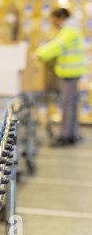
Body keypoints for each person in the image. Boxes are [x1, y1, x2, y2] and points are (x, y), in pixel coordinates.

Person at [35, 8, 87, 146]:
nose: (54, 25)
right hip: (72, 72)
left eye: (54, 21)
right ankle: (72, 134)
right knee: (71, 104)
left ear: (61, 17)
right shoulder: (73, 28)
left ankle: (65, 136)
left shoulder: (69, 29)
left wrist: (39, 53)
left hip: (70, 73)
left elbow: (58, 45)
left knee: (67, 104)